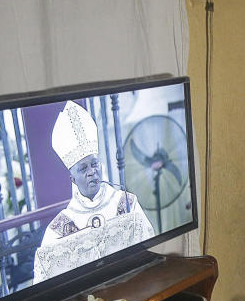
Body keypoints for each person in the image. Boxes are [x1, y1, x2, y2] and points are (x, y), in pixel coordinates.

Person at [33, 101, 155, 282]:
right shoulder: (59, 228)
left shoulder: (126, 203)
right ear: (72, 179)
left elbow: (150, 252)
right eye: (83, 168)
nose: (92, 171)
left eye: (94, 164)